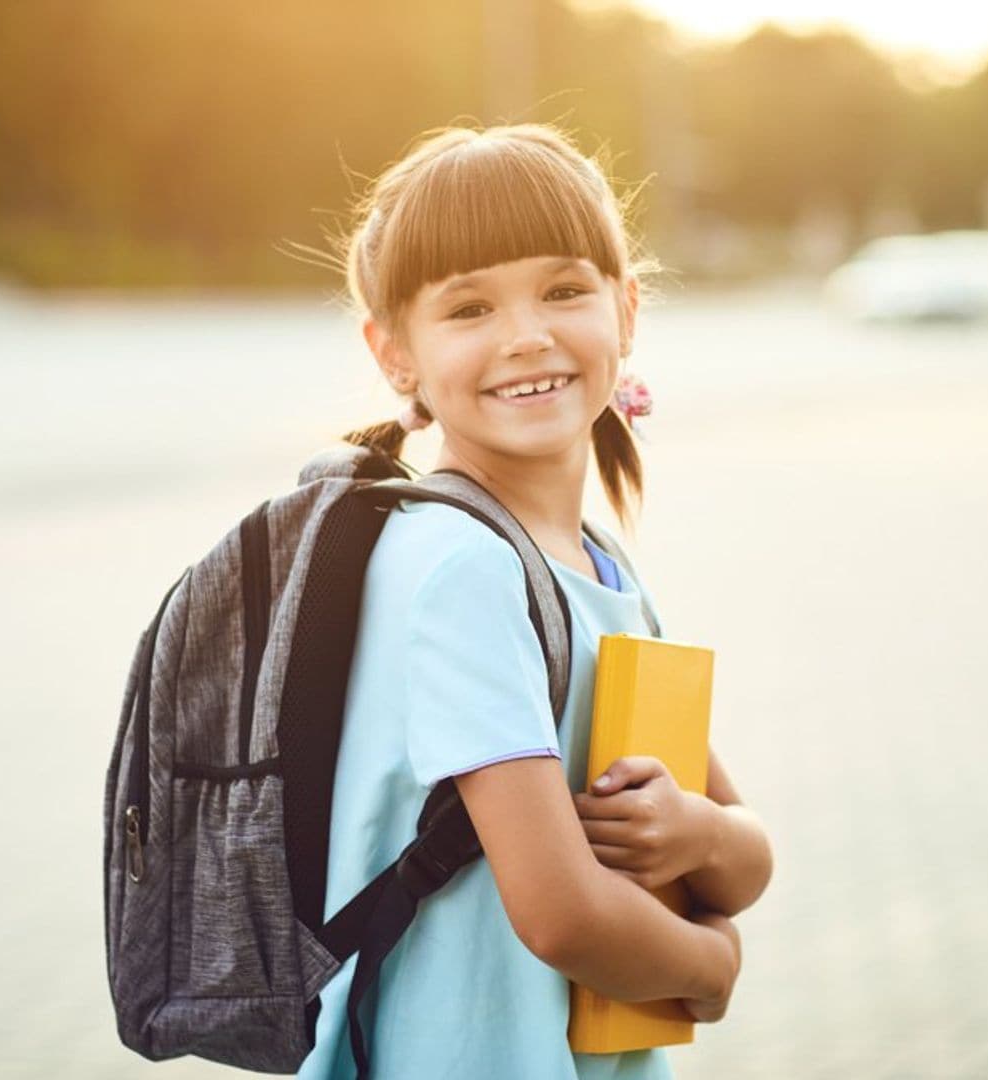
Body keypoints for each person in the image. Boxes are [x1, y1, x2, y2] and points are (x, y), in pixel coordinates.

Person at [296, 123, 774, 1080]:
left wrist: (697, 832)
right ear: (395, 354)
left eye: (563, 290)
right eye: (468, 308)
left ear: (626, 311)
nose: (527, 336)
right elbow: (561, 913)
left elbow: (744, 852)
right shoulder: (457, 567)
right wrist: (711, 967)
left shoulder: (600, 567)